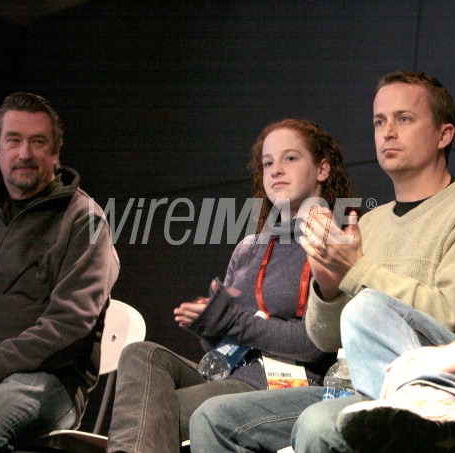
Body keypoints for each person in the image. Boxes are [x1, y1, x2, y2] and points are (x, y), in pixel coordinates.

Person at [189, 71, 455, 453]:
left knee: (319, 421)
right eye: (380, 121)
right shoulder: (370, 222)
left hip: (443, 388)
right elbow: (325, 338)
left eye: (404, 119)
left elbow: (452, 318)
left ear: (444, 135)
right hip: (354, 383)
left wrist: (356, 271)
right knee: (214, 418)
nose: (387, 133)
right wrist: (328, 289)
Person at [106, 119, 355, 453]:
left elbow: (318, 344)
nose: (276, 170)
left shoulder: (338, 241)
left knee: (149, 413)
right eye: (268, 163)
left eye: (290, 158)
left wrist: (234, 322)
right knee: (141, 354)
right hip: (230, 377)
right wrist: (208, 325)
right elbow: (221, 348)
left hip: (288, 384)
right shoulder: (250, 247)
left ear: (323, 169)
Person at [0, 92, 120, 452]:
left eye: (38, 142)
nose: (24, 154)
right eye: (13, 141)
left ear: (55, 152)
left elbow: (68, 326)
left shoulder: (84, 219)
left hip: (46, 379)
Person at [336, 301, 455, 452]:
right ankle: (425, 394)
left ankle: (431, 400)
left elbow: (453, 314)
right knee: (362, 308)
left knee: (317, 422)